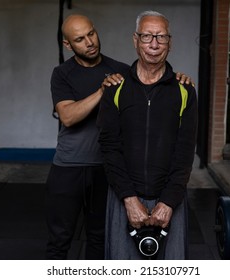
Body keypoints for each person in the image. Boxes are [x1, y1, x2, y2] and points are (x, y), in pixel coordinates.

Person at [45, 14, 192, 260]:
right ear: (69, 45)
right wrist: (102, 90)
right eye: (80, 39)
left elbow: (149, 92)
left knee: (98, 239)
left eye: (91, 34)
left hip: (105, 170)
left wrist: (179, 80)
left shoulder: (121, 71)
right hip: (70, 165)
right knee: (60, 239)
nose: (89, 42)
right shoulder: (62, 74)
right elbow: (68, 117)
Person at [97, 10, 198, 259]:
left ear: (170, 43)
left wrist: (169, 202)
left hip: (169, 201)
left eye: (161, 37)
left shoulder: (184, 90)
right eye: (147, 36)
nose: (154, 44)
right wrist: (129, 200)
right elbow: (109, 147)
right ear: (135, 40)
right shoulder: (115, 88)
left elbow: (185, 152)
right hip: (125, 198)